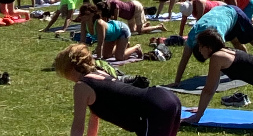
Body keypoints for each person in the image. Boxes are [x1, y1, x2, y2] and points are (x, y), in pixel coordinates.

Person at [54, 43, 182, 136]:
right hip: (167, 99)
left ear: (69, 68)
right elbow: (94, 119)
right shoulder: (100, 74)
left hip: (154, 107)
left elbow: (78, 127)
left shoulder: (81, 86)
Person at [171, 5, 253, 86]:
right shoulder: (191, 39)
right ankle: (246, 67)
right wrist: (177, 81)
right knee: (236, 43)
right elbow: (184, 59)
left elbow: (224, 56)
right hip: (220, 15)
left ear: (205, 47)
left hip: (234, 14)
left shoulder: (216, 35)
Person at [76, 3, 142, 62]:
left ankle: (136, 48)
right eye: (81, 14)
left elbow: (100, 44)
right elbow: (82, 41)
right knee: (106, 56)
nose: (82, 16)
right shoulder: (84, 23)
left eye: (85, 14)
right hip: (110, 36)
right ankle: (122, 45)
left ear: (92, 14)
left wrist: (99, 59)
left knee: (119, 57)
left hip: (121, 30)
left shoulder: (99, 24)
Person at [98, 0, 164, 36]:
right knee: (132, 31)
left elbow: (115, 21)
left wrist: (113, 25)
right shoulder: (106, 4)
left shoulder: (114, 5)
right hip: (130, 13)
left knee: (139, 31)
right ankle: (144, 25)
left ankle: (159, 26)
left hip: (136, 7)